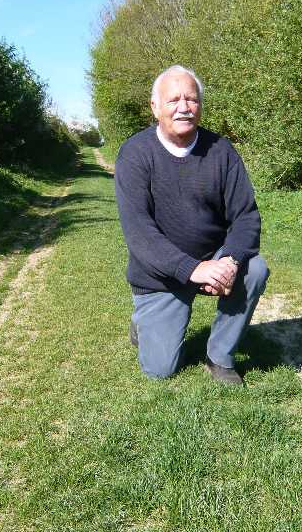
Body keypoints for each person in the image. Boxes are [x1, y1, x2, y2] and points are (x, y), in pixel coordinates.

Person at [114, 65, 269, 385]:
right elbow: (139, 233)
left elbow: (246, 216)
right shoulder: (135, 154)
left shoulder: (221, 151)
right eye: (173, 100)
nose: (184, 107)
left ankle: (220, 356)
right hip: (159, 275)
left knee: (255, 268)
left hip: (212, 259)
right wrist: (192, 269)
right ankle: (144, 325)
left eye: (191, 99)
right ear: (155, 107)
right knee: (160, 371)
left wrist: (230, 260)